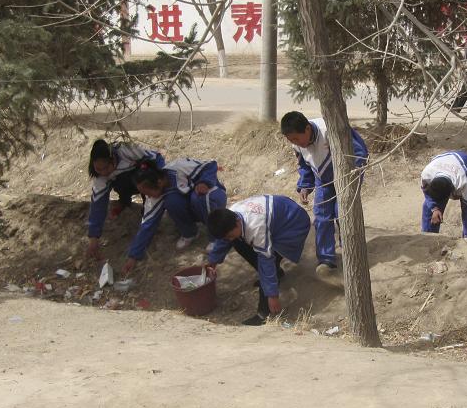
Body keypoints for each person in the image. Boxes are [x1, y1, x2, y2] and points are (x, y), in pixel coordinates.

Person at [280, 111, 367, 279]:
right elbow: (305, 166)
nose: (295, 143)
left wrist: (352, 175)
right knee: (321, 216)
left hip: (346, 177)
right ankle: (326, 260)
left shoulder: (329, 129)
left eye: (296, 138)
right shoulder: (297, 144)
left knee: (343, 213)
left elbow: (359, 152)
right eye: (291, 140)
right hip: (322, 180)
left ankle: (350, 251)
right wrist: (305, 186)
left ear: (307, 129)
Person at [206, 195, 312, 326]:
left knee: (267, 267)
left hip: (293, 225)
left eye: (230, 235)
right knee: (237, 242)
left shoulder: (256, 226)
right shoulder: (231, 215)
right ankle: (276, 274)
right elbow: (224, 240)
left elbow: (266, 261)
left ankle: (263, 314)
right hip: (279, 216)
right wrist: (212, 262)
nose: (229, 238)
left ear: (238, 222)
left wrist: (272, 295)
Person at [123, 157, 227, 274]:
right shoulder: (156, 196)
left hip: (212, 196)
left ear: (159, 182)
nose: (149, 197)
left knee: (198, 197)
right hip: (194, 207)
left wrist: (204, 182)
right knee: (171, 201)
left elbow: (210, 165)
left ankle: (216, 236)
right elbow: (147, 224)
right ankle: (190, 233)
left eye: (148, 193)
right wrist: (133, 256)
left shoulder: (178, 168)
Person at [86, 139, 163, 260]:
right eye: (98, 169)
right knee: (121, 182)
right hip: (124, 182)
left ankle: (146, 203)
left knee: (144, 181)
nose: (103, 172)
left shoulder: (127, 150)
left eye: (106, 168)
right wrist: (93, 238)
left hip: (142, 173)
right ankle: (125, 201)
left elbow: (156, 159)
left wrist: (159, 183)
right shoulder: (100, 176)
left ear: (113, 160)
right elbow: (98, 204)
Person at [420, 151, 467, 239]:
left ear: (451, 193)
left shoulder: (463, 183)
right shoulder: (426, 174)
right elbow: (427, 194)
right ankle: (428, 236)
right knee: (428, 207)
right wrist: (435, 208)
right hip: (444, 160)